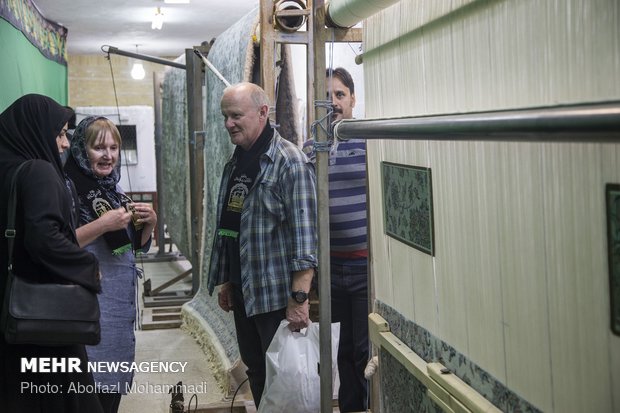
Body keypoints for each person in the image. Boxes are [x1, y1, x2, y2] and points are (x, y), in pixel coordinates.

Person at [207, 82, 318, 407]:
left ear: (263, 113)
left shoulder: (289, 162)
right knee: (257, 371)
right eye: (226, 116)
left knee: (283, 378)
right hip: (245, 292)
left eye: (236, 115)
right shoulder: (238, 161)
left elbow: (305, 235)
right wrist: (229, 279)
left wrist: (299, 298)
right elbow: (232, 226)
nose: (229, 124)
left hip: (275, 299)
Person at [0, 94, 104, 412]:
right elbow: (45, 239)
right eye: (59, 133)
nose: (63, 144)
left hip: (10, 308)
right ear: (36, 131)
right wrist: (87, 266)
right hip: (44, 316)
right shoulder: (38, 172)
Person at [64, 116, 157, 413]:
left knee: (110, 396)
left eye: (114, 147)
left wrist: (149, 226)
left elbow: (131, 247)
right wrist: (103, 224)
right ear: (81, 149)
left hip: (116, 315)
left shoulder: (114, 191)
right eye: (98, 147)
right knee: (88, 392)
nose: (108, 155)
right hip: (87, 309)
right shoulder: (67, 191)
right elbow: (58, 246)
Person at [303, 67, 369, 412]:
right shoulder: (312, 147)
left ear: (353, 99)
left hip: (365, 268)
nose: (333, 103)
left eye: (340, 95)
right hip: (330, 268)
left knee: (364, 350)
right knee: (339, 351)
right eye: (326, 96)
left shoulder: (369, 139)